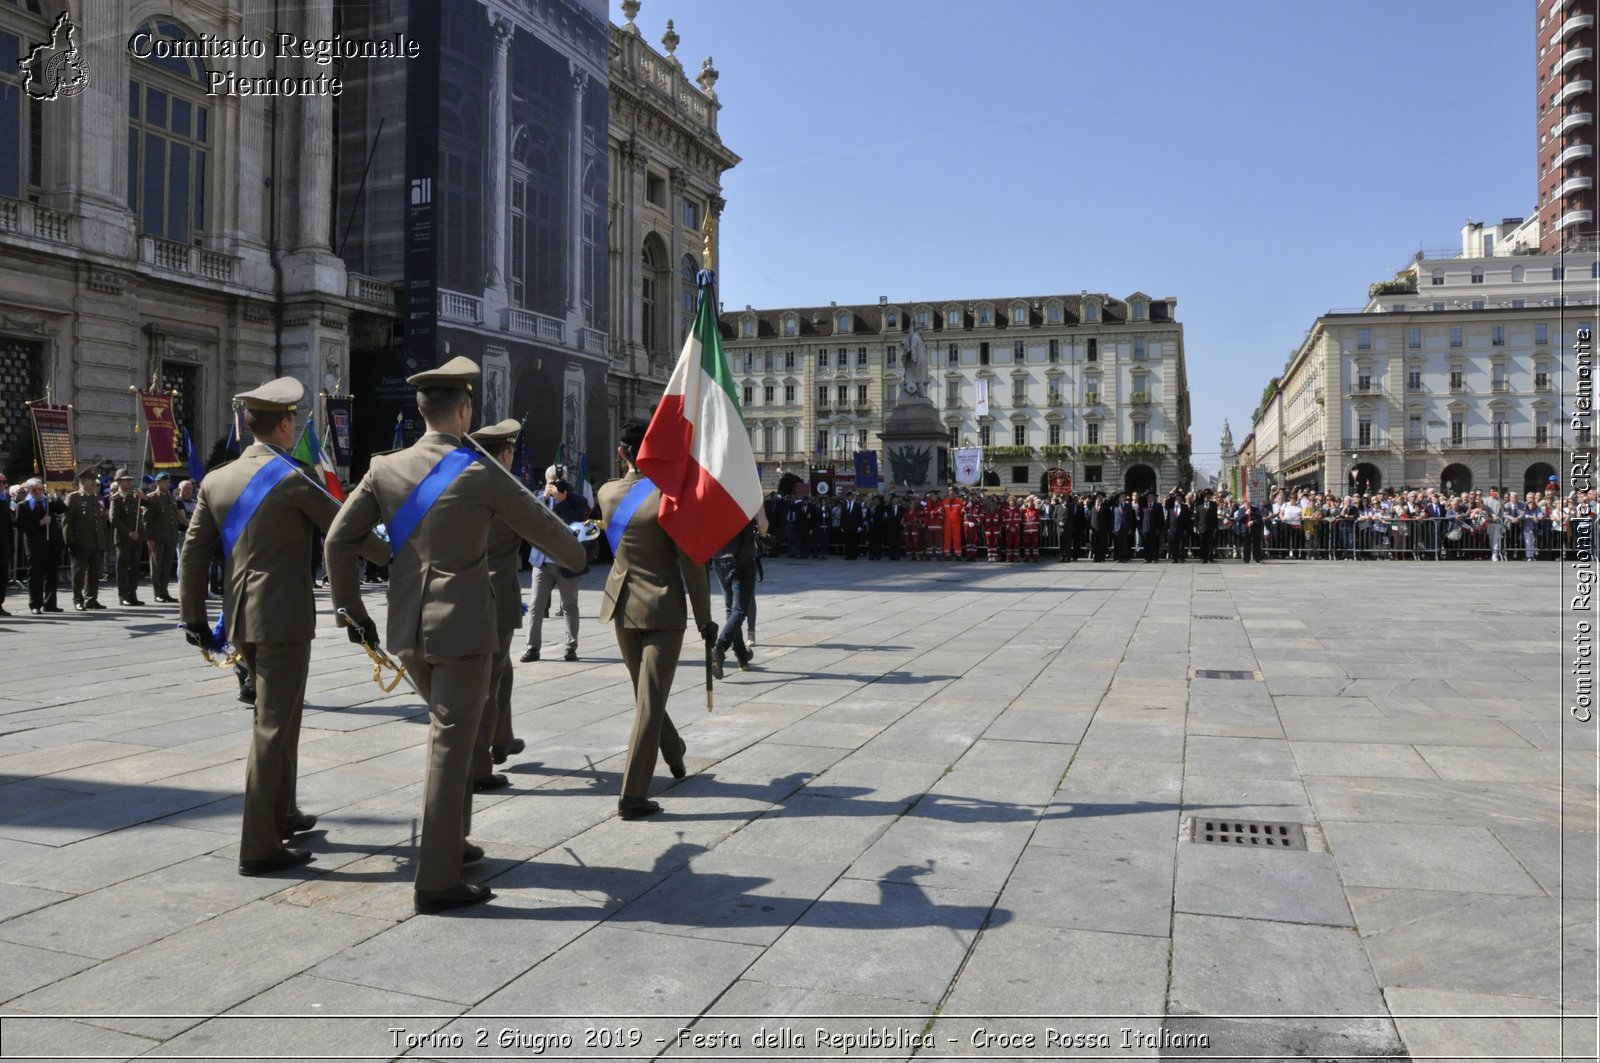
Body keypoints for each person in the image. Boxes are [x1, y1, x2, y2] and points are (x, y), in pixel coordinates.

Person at [325, 356, 583, 914]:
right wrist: (579, 551)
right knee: (450, 745)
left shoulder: (384, 467)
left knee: (456, 739)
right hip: (463, 629)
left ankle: (454, 845)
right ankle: (437, 880)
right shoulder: (480, 470)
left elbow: (338, 540)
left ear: (423, 412)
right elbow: (551, 535)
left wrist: (352, 609)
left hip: (406, 631)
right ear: (464, 410)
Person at [178, 377, 388, 878]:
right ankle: (259, 845)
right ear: (287, 423)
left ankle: (284, 812)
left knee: (280, 716)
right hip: (283, 616)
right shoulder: (294, 477)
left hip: (239, 617)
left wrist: (192, 617)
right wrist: (390, 549)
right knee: (273, 724)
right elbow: (344, 529)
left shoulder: (216, 479)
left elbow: (192, 553)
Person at [597, 419, 716, 821]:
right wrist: (705, 619)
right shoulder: (670, 498)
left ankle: (673, 747)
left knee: (645, 695)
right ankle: (632, 794)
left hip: (621, 604)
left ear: (621, 454)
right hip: (663, 608)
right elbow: (691, 562)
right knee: (649, 702)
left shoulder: (606, 493)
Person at [470, 420, 537, 789]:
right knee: (489, 679)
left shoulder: (461, 485)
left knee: (501, 670)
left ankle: (503, 737)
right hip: (498, 594)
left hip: (465, 590)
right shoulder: (509, 490)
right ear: (507, 454)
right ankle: (481, 762)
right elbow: (540, 530)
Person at [521, 472, 590, 664]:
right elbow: (532, 518)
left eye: (558, 483)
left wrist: (562, 500)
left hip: (565, 562)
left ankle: (571, 647)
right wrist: (545, 498)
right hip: (542, 562)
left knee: (570, 605)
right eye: (551, 482)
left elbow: (574, 524)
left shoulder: (575, 500)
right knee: (536, 605)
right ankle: (532, 648)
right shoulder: (538, 497)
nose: (554, 487)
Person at [711, 514, 761, 677]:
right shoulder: (750, 496)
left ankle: (742, 658)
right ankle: (720, 647)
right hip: (742, 558)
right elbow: (763, 525)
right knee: (739, 610)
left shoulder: (715, 499)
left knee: (731, 609)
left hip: (719, 558)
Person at [16, 479, 64, 613]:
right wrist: (40, 523)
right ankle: (35, 604)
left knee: (52, 575)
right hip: (35, 546)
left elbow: (63, 509)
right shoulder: (23, 505)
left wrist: (54, 495)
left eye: (40, 489)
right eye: (35, 490)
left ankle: (50, 603)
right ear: (29, 491)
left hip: (51, 544)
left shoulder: (48, 502)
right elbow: (21, 527)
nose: (38, 492)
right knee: (36, 576)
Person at [62, 467, 108, 609]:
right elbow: (67, 521)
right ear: (82, 481)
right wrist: (68, 541)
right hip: (80, 541)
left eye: (95, 480)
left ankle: (91, 598)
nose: (94, 482)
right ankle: (78, 600)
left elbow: (101, 521)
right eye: (91, 480)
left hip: (96, 541)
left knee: (94, 572)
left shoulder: (99, 498)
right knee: (78, 572)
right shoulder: (74, 498)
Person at [141, 473, 182, 602]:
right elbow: (147, 520)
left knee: (166, 567)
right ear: (157, 483)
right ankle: (157, 593)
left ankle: (165, 592)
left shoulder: (171, 497)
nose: (167, 484)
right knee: (156, 566)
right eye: (164, 482)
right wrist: (149, 538)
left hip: (170, 537)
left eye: (168, 482)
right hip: (157, 538)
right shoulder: (152, 498)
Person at [107, 470, 145, 605]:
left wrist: (144, 497)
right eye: (126, 480)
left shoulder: (135, 497)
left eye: (129, 480)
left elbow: (150, 506)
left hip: (137, 537)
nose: (129, 482)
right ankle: (123, 595)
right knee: (123, 567)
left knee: (134, 566)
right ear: (119, 482)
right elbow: (113, 519)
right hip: (124, 538)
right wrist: (129, 533)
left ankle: (132, 593)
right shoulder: (116, 498)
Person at [0, 470, 11, 615]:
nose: (3, 485)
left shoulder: (5, 498)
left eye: (4, 482)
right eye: (1, 482)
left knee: (2, 575)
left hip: (4, 543)